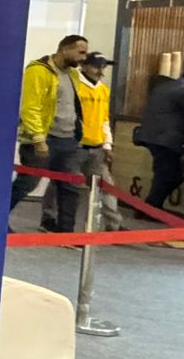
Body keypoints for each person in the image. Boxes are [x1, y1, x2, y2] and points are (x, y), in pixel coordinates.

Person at [9, 35, 88, 231]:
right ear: (64, 49)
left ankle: (66, 232)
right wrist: (38, 139)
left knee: (71, 186)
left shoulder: (73, 75)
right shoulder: (38, 71)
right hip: (43, 139)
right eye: (80, 52)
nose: (84, 57)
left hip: (68, 139)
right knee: (28, 183)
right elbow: (30, 108)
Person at [43, 53, 121, 232]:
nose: (101, 71)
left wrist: (107, 144)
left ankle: (114, 225)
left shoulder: (103, 90)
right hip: (74, 145)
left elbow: (104, 119)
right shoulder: (74, 86)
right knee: (62, 183)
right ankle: (48, 218)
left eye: (103, 67)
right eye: (96, 66)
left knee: (106, 186)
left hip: (96, 146)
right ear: (84, 66)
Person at [135, 69, 184, 211]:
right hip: (165, 139)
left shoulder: (167, 86)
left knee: (168, 174)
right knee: (169, 175)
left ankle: (151, 208)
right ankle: (149, 209)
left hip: (155, 137)